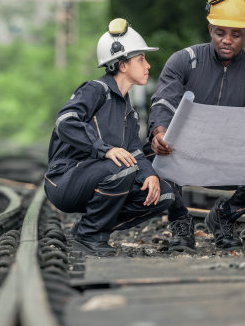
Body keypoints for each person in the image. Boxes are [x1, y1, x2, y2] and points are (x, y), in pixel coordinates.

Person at [147, 0, 245, 251]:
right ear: (210, 29)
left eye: (236, 34)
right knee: (155, 161)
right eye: (220, 32)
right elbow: (163, 102)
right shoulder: (183, 61)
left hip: (231, 158)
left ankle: (223, 216)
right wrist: (159, 133)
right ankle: (180, 222)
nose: (227, 39)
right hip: (183, 155)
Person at [44, 18, 177, 257]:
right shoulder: (95, 90)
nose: (148, 65)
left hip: (102, 175)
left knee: (164, 194)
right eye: (141, 59)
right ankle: (89, 236)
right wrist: (103, 148)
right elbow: (65, 121)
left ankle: (89, 231)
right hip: (64, 180)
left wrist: (150, 176)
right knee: (120, 167)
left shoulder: (128, 111)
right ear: (122, 64)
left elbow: (135, 151)